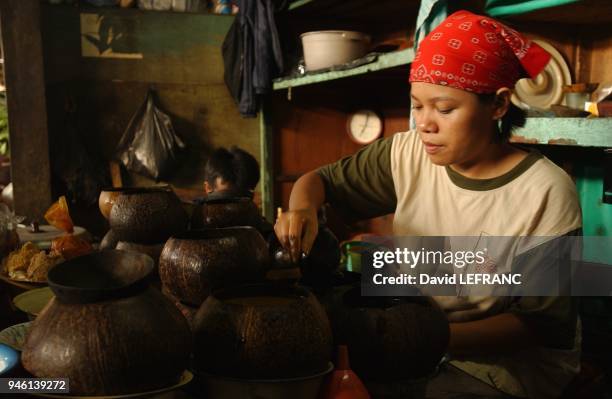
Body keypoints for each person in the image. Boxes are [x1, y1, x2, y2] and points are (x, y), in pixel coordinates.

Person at [274, 10, 582, 399]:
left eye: (445, 108)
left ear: (499, 105)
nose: (425, 123)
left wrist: (421, 338)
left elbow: (542, 325)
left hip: (503, 367)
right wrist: (302, 209)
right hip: (416, 339)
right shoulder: (408, 152)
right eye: (417, 106)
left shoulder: (547, 191)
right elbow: (318, 182)